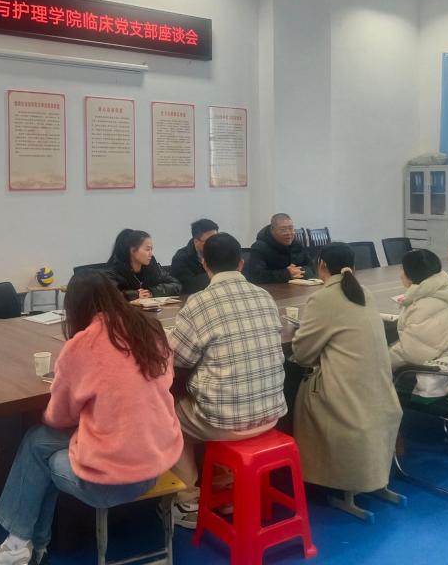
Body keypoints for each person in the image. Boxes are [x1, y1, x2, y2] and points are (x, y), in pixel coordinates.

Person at [0, 272, 183, 565]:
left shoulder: (81, 346)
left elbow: (59, 416)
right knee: (38, 442)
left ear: (75, 308)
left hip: (110, 482)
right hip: (156, 463)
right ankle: (30, 548)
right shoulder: (150, 330)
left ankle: (20, 547)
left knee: (40, 451)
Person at [169, 233, 287, 529]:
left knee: (169, 417)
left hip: (226, 422)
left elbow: (177, 359)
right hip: (271, 414)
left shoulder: (199, 303)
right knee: (222, 396)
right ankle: (227, 490)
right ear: (241, 263)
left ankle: (187, 501)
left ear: (204, 264)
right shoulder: (264, 296)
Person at [291, 243, 402, 495]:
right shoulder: (365, 293)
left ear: (321, 265)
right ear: (354, 266)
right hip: (378, 391)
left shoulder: (322, 298)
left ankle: (316, 473)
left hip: (344, 396)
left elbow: (302, 354)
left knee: (301, 388)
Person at [390, 249, 448, 401]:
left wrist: (380, 362)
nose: (400, 274)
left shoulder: (421, 307)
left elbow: (410, 354)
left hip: (439, 378)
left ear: (410, 274)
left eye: (402, 269)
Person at [104, 229, 181, 300]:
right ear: (133, 250)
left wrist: (152, 292)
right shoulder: (113, 270)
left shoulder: (152, 265)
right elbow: (107, 295)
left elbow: (176, 285)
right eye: (147, 249)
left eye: (151, 249)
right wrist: (135, 294)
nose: (151, 254)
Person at [246, 213, 314, 283]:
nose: (288, 233)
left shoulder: (297, 244)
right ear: (272, 230)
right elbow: (255, 276)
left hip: (298, 286)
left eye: (291, 228)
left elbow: (312, 267)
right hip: (272, 288)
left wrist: (298, 271)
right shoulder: (259, 247)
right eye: (283, 229)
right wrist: (287, 274)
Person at [169, 218, 219, 295]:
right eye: (210, 241)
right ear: (196, 241)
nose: (215, 244)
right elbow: (186, 287)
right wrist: (215, 275)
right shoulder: (181, 258)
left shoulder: (221, 252)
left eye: (216, 239)